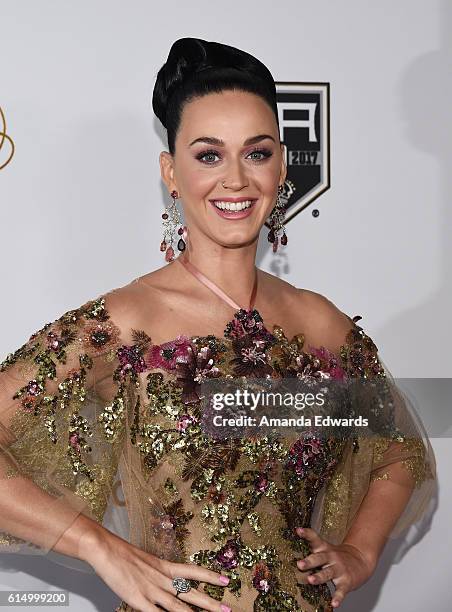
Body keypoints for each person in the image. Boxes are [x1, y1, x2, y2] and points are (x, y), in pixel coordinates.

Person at [0, 37, 436, 612]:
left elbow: (398, 452)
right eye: (208, 154)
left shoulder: (322, 324)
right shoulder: (125, 322)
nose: (235, 179)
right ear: (171, 172)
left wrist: (359, 551)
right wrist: (99, 545)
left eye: (256, 153)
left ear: (282, 165)